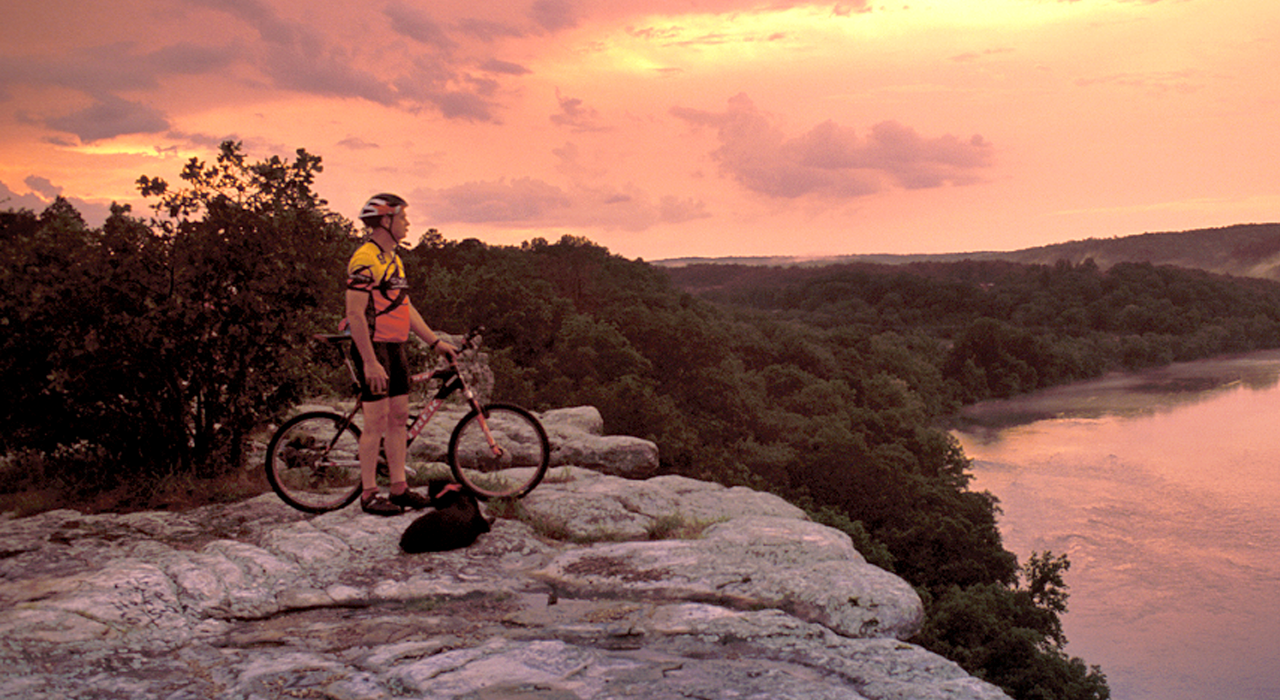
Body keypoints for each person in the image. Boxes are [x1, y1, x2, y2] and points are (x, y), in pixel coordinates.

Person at [345, 193, 457, 515]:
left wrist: (435, 342)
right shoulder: (364, 258)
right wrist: (369, 361)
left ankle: (399, 488)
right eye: (403, 218)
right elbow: (355, 315)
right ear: (385, 220)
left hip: (396, 345)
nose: (408, 223)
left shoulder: (393, 258)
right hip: (374, 347)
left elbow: (404, 307)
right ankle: (368, 495)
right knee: (375, 423)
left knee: (397, 419)